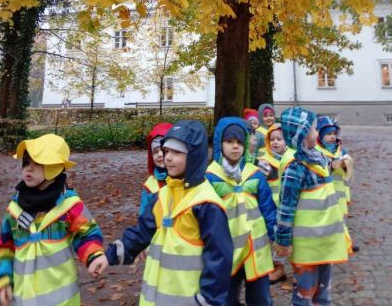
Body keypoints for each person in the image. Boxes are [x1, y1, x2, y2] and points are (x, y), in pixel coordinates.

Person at [106, 120, 233, 306]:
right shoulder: (162, 195)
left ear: (194, 156)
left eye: (177, 152)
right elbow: (143, 231)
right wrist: (110, 255)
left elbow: (219, 257)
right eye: (166, 151)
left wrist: (208, 300)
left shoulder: (206, 204)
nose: (168, 158)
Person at [0, 133, 107, 306]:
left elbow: (86, 234)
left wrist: (93, 256)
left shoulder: (69, 205)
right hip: (24, 297)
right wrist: (3, 278)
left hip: (62, 299)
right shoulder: (15, 208)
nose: (28, 169)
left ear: (54, 168)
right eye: (26, 163)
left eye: (37, 163)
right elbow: (5, 246)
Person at [275, 107, 351, 306]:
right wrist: (283, 240)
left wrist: (338, 163)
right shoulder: (295, 167)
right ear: (300, 133)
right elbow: (286, 206)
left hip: (326, 239)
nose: (317, 133)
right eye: (314, 129)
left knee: (323, 291)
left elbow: (328, 167)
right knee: (305, 292)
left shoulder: (315, 156)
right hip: (307, 244)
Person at [206, 117, 276, 306]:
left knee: (260, 298)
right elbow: (205, 215)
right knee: (226, 297)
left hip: (255, 248)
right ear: (220, 144)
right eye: (229, 141)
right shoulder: (210, 177)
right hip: (227, 250)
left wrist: (276, 235)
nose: (235, 146)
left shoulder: (255, 174)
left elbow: (268, 208)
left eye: (239, 142)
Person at [257, 123, 295, 284]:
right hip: (272, 207)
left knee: (294, 238)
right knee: (275, 238)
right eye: (272, 139)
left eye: (279, 139)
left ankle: (299, 269)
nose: (275, 142)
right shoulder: (265, 162)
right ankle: (278, 268)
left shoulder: (292, 159)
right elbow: (259, 182)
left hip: (289, 206)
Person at [315, 116, 354, 216]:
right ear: (320, 135)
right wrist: (330, 165)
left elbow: (349, 160)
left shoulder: (339, 149)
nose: (333, 137)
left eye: (334, 134)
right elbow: (316, 167)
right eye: (328, 134)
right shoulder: (316, 151)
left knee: (340, 213)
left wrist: (344, 163)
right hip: (325, 191)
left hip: (339, 190)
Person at [139, 122, 173, 216]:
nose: (160, 154)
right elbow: (144, 214)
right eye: (155, 151)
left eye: (163, 150)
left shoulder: (184, 178)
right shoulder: (150, 185)